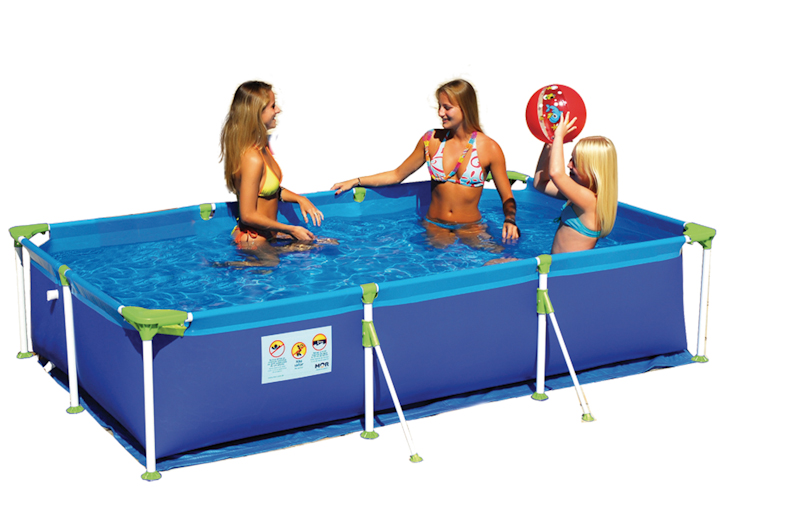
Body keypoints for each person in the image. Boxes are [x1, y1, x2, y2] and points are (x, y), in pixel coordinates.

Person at [331, 79, 520, 250]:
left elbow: (507, 197)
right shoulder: (432, 140)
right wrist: (356, 181)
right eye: (439, 107)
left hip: (471, 226)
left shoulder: (489, 148)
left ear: (465, 107)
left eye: (447, 107)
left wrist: (510, 220)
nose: (440, 113)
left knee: (500, 257)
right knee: (437, 268)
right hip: (435, 225)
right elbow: (397, 174)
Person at [220, 81, 326, 258]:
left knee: (325, 244)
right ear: (257, 113)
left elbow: (268, 189)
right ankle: (225, 267)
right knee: (276, 264)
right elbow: (247, 215)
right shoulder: (252, 158)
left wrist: (300, 199)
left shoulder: (261, 147)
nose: (278, 110)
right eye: (272, 106)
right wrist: (290, 229)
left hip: (268, 237)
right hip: (253, 240)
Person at [533, 112, 618, 254]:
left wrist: (559, 137)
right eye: (570, 159)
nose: (569, 165)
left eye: (575, 162)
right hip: (556, 266)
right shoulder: (579, 195)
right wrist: (550, 145)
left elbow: (556, 174)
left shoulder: (589, 200)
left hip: (564, 269)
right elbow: (540, 183)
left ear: (593, 170)